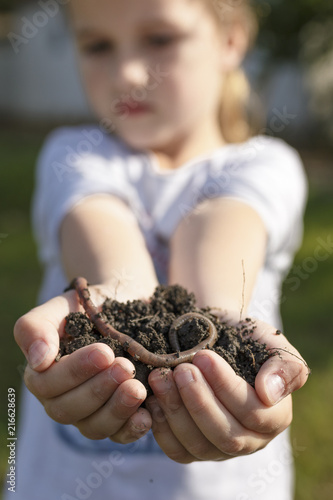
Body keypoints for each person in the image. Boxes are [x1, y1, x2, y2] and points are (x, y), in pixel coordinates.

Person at [8, 0, 309, 499]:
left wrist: (217, 316)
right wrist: (119, 290)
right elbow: (101, 229)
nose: (127, 72)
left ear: (231, 38)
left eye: (160, 38)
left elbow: (219, 225)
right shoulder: (74, 153)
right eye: (97, 45)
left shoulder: (266, 164)